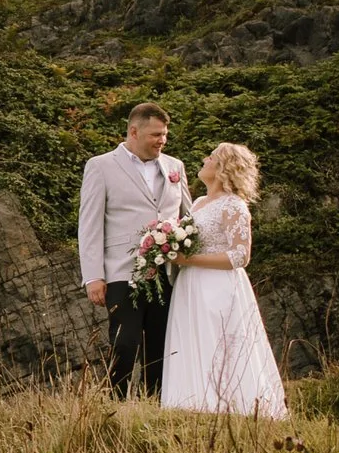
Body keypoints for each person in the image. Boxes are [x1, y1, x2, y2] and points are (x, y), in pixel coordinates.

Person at [160, 142, 289, 418]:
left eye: (211, 157)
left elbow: (241, 255)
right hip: (190, 285)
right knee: (192, 342)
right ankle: (192, 405)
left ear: (221, 168)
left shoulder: (233, 205)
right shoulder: (198, 203)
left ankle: (234, 410)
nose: (204, 160)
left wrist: (188, 260)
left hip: (217, 287)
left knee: (221, 345)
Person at [77, 102, 190, 398]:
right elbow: (89, 224)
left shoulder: (175, 167)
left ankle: (156, 405)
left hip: (167, 271)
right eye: (156, 134)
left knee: (161, 346)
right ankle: (117, 405)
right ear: (133, 131)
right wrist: (93, 277)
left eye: (164, 134)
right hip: (120, 272)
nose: (162, 141)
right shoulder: (100, 166)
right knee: (124, 343)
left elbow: (187, 217)